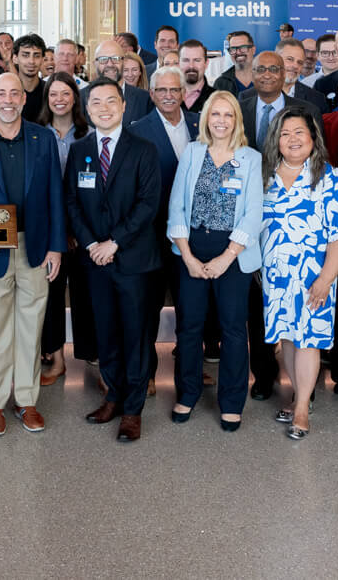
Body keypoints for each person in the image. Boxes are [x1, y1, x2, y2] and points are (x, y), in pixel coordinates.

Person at [0, 72, 65, 436]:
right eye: (0, 93)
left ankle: (27, 400)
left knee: (30, 326)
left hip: (35, 246)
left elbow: (55, 195)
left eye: (13, 94)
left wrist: (56, 246)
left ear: (23, 99)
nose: (7, 100)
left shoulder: (44, 139)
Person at [68, 79, 163, 443]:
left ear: (124, 106)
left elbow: (147, 205)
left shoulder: (144, 148)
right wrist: (93, 243)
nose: (104, 108)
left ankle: (133, 410)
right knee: (106, 333)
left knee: (136, 336)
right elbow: (72, 201)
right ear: (87, 109)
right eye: (96, 103)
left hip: (133, 260)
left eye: (111, 101)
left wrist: (114, 242)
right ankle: (113, 395)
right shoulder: (79, 150)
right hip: (95, 260)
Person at [167, 91, 263, 432]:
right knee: (189, 328)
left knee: (234, 330)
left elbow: (254, 213)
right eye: (214, 114)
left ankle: (232, 401)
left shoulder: (250, 158)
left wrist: (227, 257)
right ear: (205, 118)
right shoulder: (192, 153)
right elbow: (176, 205)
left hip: (233, 251)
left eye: (228, 115)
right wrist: (188, 256)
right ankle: (188, 393)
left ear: (237, 120)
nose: (221, 121)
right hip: (191, 246)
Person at [259, 109, 338, 439]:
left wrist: (327, 278)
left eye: (300, 132)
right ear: (276, 140)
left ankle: (302, 406)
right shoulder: (264, 176)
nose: (293, 139)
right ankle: (295, 394)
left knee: (309, 339)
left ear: (313, 137)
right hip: (275, 276)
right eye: (285, 133)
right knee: (287, 336)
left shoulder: (332, 178)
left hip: (315, 277)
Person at [130, 66, 200, 389]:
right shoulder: (137, 131)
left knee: (191, 309)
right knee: (148, 310)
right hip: (153, 236)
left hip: (194, 237)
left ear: (184, 93)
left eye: (175, 90)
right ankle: (146, 374)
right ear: (152, 94)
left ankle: (189, 371)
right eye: (162, 91)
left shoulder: (202, 126)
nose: (170, 96)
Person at [37, 72, 92, 382]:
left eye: (65, 93)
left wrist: (76, 231)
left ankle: (90, 358)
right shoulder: (36, 134)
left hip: (84, 231)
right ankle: (56, 359)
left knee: (85, 298)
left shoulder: (88, 134)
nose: (59, 99)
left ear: (75, 97)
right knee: (52, 297)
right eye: (53, 94)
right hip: (48, 233)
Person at [12, 33, 48, 120]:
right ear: (15, 58)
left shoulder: (50, 91)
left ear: (43, 60)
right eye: (25, 55)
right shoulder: (7, 92)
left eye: (36, 56)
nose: (31, 61)